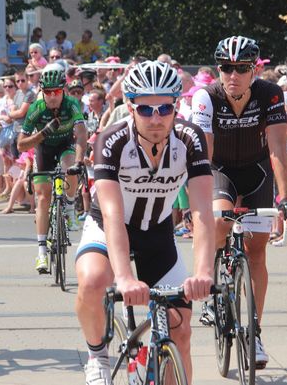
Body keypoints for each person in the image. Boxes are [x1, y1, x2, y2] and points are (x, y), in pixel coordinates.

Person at [74, 60, 214, 385]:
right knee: (95, 279)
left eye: (165, 108)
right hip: (108, 225)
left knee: (181, 331)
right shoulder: (111, 141)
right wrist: (123, 278)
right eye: (145, 109)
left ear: (176, 106)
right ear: (129, 106)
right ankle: (97, 355)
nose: (156, 118)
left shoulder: (190, 139)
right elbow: (111, 215)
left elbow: (203, 212)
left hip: (157, 231)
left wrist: (204, 272)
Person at [191, 36, 287, 367]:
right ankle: (210, 286)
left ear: (254, 69)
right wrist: (198, 204)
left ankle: (255, 333)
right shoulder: (206, 97)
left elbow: (278, 150)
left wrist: (286, 199)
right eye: (226, 68)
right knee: (220, 219)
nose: (232, 74)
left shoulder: (270, 94)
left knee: (258, 251)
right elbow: (202, 154)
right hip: (219, 169)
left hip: (257, 172)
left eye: (241, 68)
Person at [17, 64, 87, 273]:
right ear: (42, 92)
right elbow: (21, 145)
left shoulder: (72, 104)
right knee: (42, 198)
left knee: (70, 166)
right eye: (48, 92)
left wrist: (80, 161)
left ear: (63, 90)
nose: (53, 96)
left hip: (65, 145)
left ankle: (70, 207)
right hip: (44, 149)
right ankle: (41, 254)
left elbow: (82, 134)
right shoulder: (36, 109)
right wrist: (42, 134)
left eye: (56, 91)